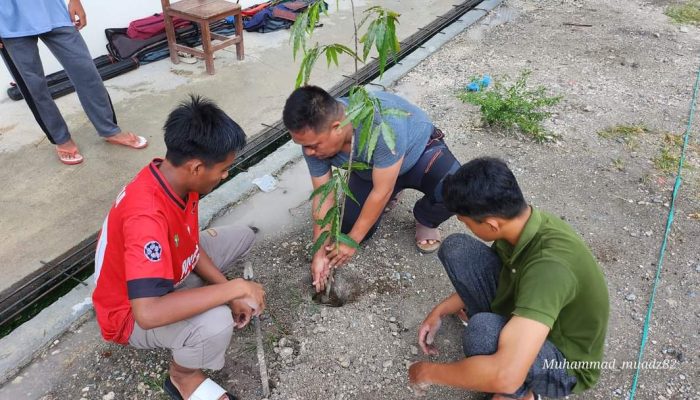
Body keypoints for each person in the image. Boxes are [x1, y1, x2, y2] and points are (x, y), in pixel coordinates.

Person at [92, 96, 264, 400]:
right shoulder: (146, 217)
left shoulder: (176, 178)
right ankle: (183, 379)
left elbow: (189, 243)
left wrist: (229, 289)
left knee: (242, 236)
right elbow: (147, 313)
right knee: (214, 322)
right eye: (223, 169)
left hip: (168, 268)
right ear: (196, 167)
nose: (226, 175)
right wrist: (235, 289)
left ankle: (196, 294)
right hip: (130, 311)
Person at [408, 157, 609, 399]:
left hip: (563, 362)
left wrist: (427, 372)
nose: (467, 227)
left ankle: (527, 394)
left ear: (492, 224)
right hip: (529, 307)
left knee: (482, 332)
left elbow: (506, 375)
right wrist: (440, 310)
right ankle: (505, 354)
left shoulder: (550, 267)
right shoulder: (519, 224)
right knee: (457, 248)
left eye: (467, 222)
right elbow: (499, 271)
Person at [282, 86, 460, 292]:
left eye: (313, 145)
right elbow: (324, 197)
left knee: (459, 192)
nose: (308, 152)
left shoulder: (382, 124)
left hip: (419, 156)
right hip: (372, 174)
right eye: (302, 146)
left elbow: (380, 192)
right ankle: (392, 190)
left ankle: (426, 218)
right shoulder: (312, 145)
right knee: (348, 231)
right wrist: (319, 252)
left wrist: (352, 242)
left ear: (337, 127)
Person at [0, 0, 147, 165]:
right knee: (34, 87)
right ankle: (61, 138)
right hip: (7, 21)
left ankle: (109, 130)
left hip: (51, 9)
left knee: (86, 71)